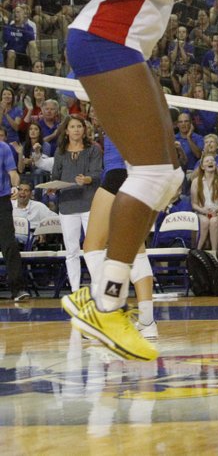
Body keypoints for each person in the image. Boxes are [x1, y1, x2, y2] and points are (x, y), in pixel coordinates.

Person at [59, 0, 218, 361]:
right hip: (104, 39)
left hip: (126, 45)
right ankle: (103, 302)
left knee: (166, 177)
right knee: (153, 174)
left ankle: (104, 297)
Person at [61, 134, 156, 339]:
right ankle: (147, 322)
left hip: (120, 173)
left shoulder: (118, 104)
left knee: (93, 246)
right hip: (145, 175)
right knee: (136, 247)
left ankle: (107, 311)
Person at [51, 114, 103, 294]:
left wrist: (88, 179)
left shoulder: (93, 149)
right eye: (72, 127)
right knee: (71, 250)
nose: (76, 130)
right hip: (67, 205)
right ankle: (75, 290)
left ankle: (98, 288)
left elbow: (97, 173)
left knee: (93, 247)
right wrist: (52, 188)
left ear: (84, 129)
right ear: (66, 130)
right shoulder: (60, 152)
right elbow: (55, 177)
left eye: (79, 126)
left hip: (89, 203)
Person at [0, 136, 28, 302]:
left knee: (9, 244)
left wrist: (15, 186)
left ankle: (18, 289)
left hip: (2, 200)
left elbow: (13, 173)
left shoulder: (3, 148)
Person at [191, 153, 218, 251]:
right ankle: (198, 250)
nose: (210, 162)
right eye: (207, 161)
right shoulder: (196, 181)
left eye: (212, 160)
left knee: (214, 221)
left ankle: (214, 252)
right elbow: (194, 204)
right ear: (202, 166)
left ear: (216, 165)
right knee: (204, 221)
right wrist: (203, 210)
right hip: (202, 212)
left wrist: (215, 211)